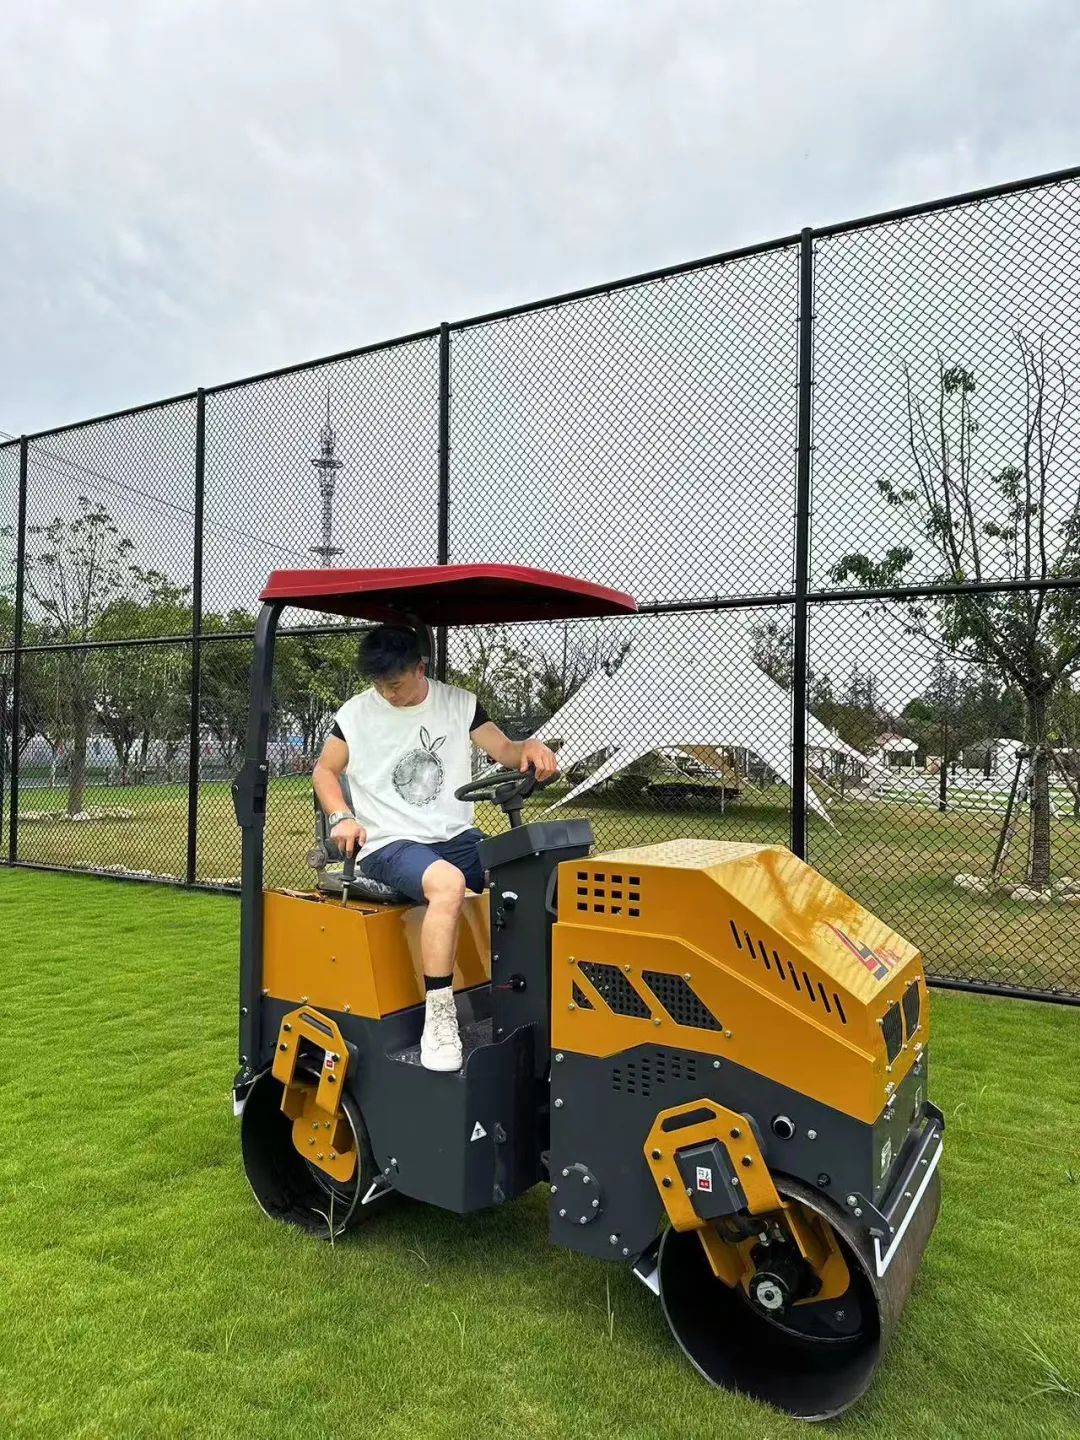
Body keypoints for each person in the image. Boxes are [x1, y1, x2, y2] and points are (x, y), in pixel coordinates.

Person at [312, 625, 558, 1073]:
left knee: (532, 874)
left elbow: (506, 749)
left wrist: (531, 747)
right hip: (388, 841)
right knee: (447, 884)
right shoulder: (355, 714)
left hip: (457, 836)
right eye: (379, 685)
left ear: (419, 669)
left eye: (395, 684)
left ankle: (542, 998)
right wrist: (340, 816)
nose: (387, 693)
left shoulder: (459, 703)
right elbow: (325, 770)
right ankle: (439, 1016)